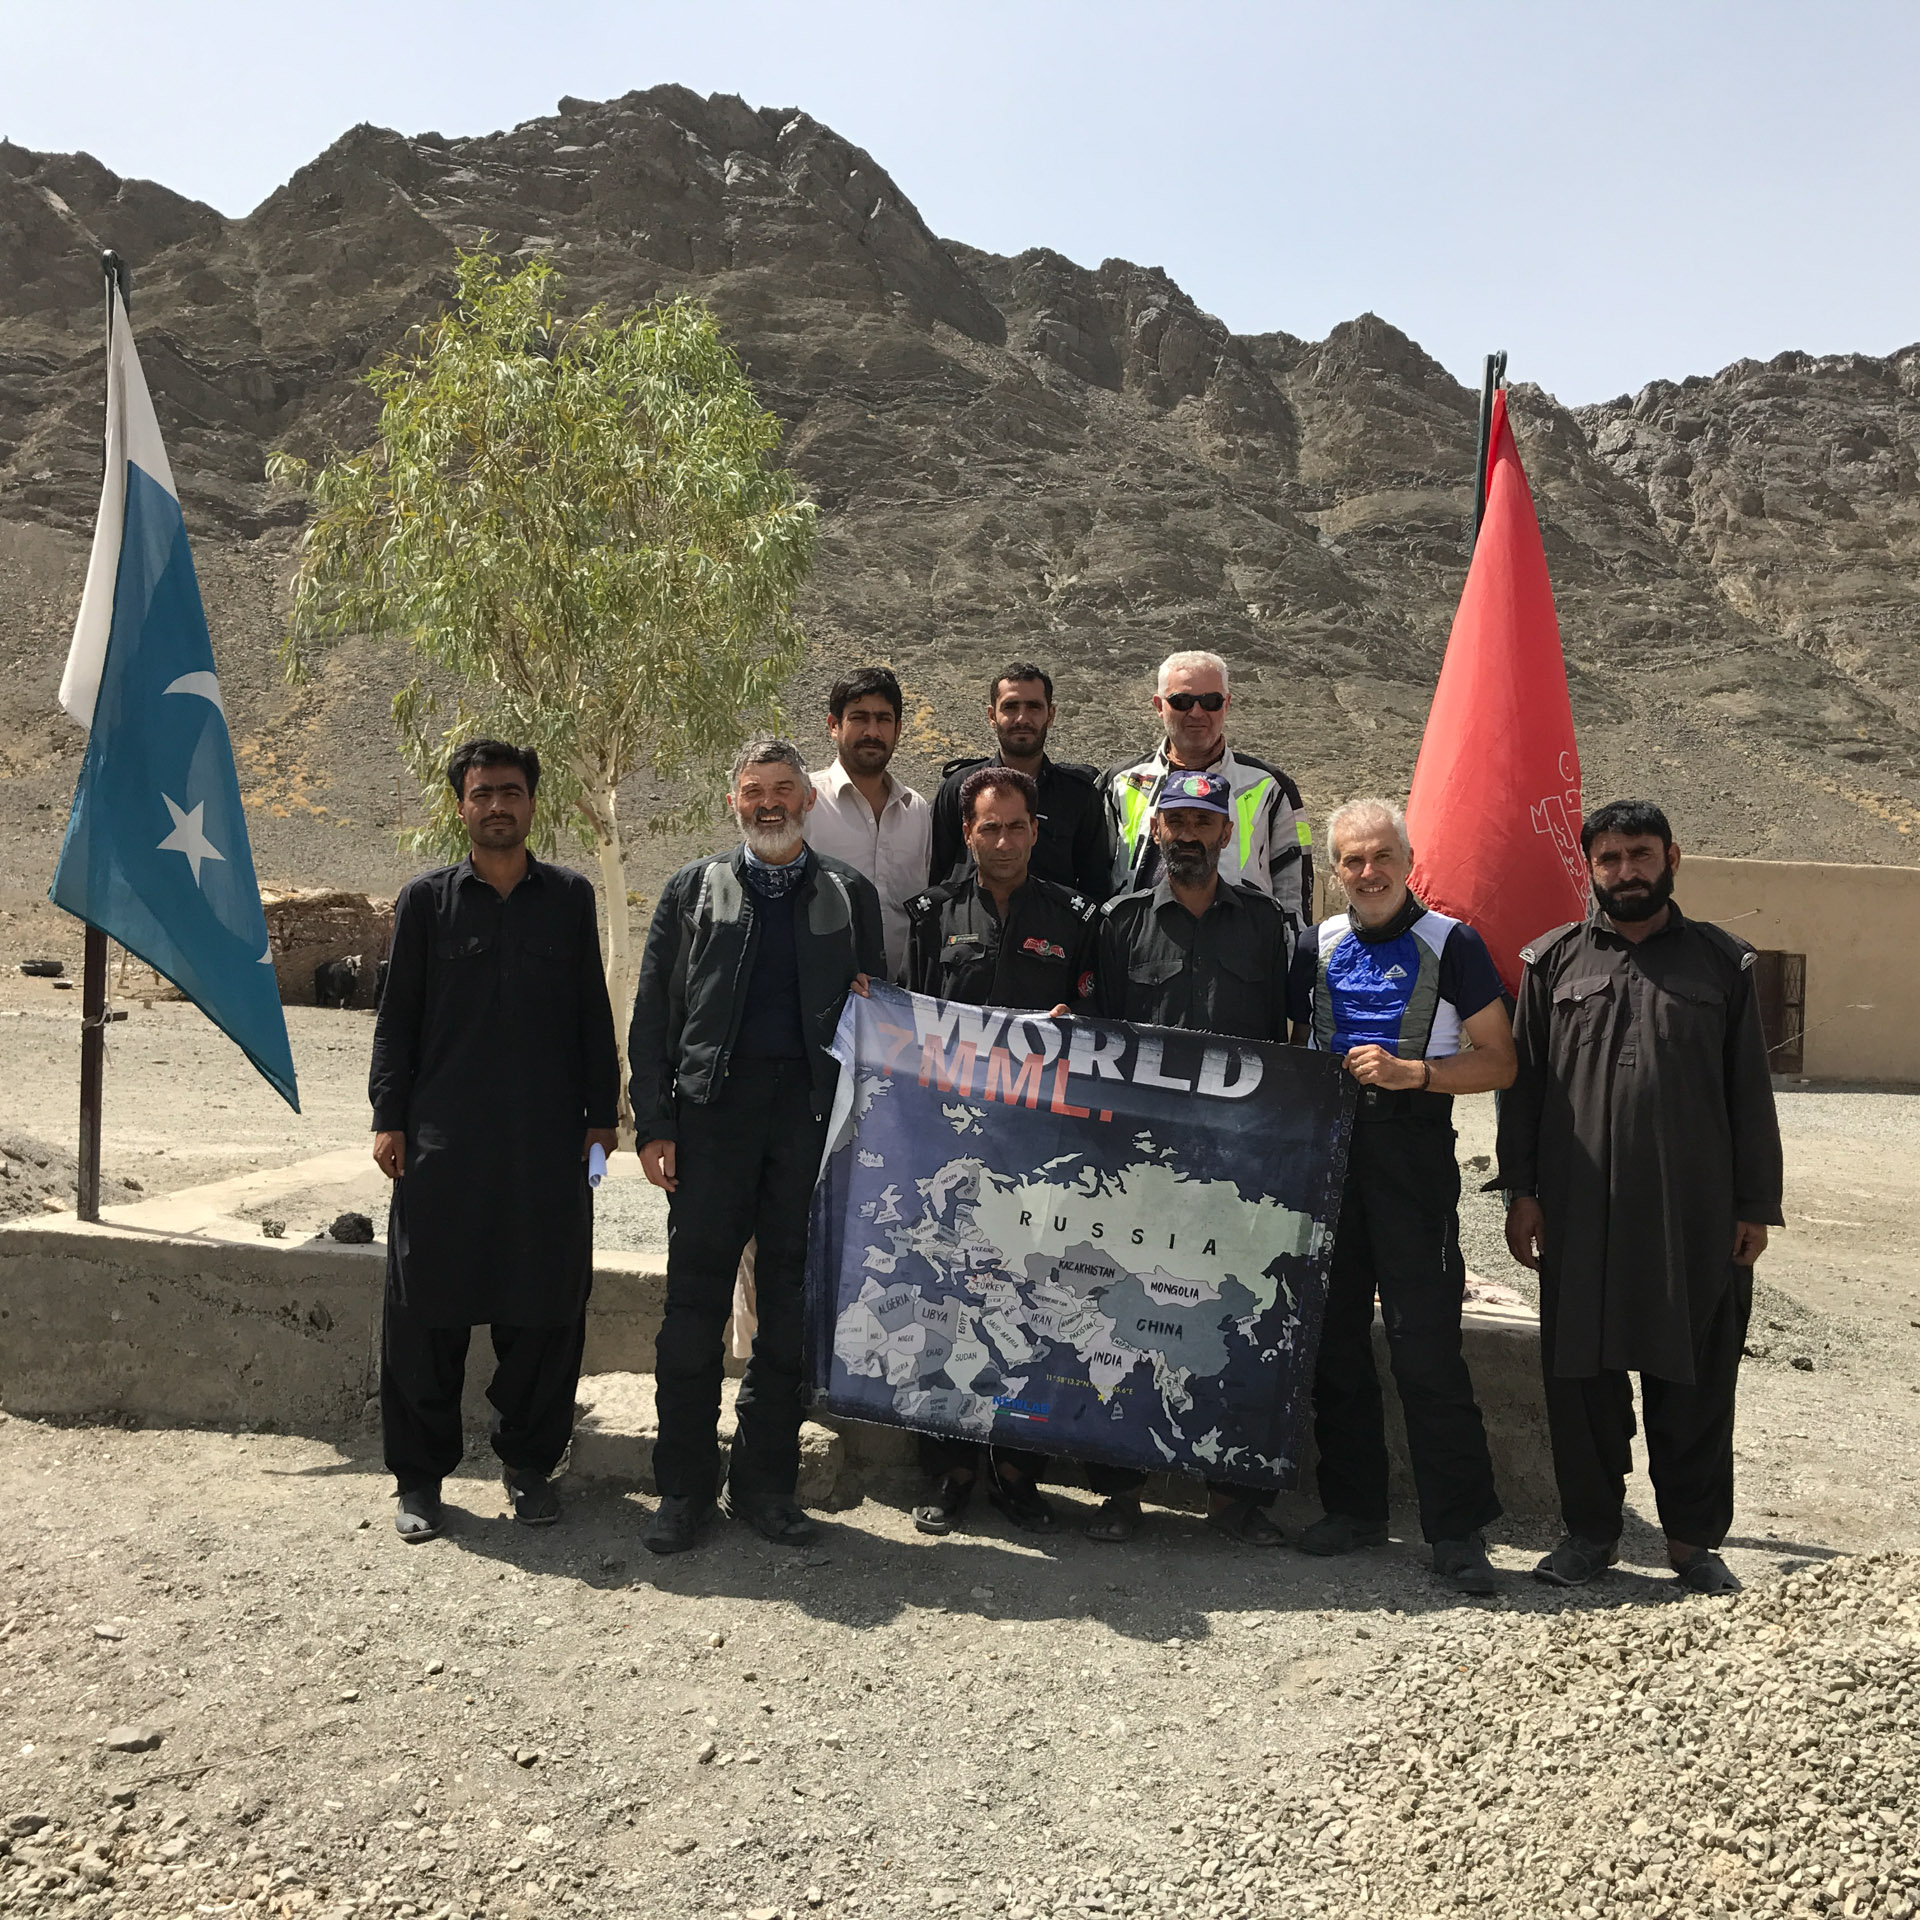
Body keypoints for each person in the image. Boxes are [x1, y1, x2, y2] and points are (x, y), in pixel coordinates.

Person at [1497, 800, 1783, 1596]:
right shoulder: (1552, 963)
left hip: (1692, 1213)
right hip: (1579, 1212)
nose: (1627, 871)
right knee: (1580, 1382)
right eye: (1611, 859)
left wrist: (1754, 1204)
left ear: (1671, 858)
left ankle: (1693, 1542)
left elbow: (1750, 1094)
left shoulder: (1723, 963)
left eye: (1641, 854)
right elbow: (1524, 1091)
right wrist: (1522, 1192)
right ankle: (1589, 1534)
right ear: (1590, 868)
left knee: (1696, 1379)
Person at [629, 737, 885, 1555]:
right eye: (753, 791)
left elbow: (877, 1013)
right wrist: (654, 1124)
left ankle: (765, 1485)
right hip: (712, 1122)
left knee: (789, 1309)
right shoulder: (691, 890)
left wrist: (868, 1006)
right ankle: (683, 1489)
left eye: (783, 789)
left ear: (808, 800)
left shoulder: (849, 894)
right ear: (733, 802)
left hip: (808, 1126)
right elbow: (653, 1017)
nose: (769, 804)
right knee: (692, 1312)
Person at [369, 739, 620, 1542]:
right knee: (424, 1313)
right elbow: (397, 1019)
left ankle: (529, 1466)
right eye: (482, 794)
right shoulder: (425, 902)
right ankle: (419, 1479)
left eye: (511, 792)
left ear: (532, 804)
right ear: (461, 808)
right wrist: (387, 1116)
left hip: (547, 1145)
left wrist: (603, 1118)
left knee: (545, 1308)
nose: (497, 806)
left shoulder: (569, 898)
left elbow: (591, 1014)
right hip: (444, 1144)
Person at [1286, 799, 1515, 1596]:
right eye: (1352, 860)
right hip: (1330, 1158)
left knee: (1426, 1344)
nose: (1369, 872)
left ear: (1408, 861)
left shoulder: (1454, 943)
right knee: (1335, 1340)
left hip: (1413, 1158)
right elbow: (1292, 1048)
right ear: (1336, 870)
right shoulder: (1314, 944)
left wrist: (1416, 1072)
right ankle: (1354, 1509)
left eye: (1382, 855)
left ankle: (1457, 1530)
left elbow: (1501, 1060)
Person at [1083, 769, 1295, 1546]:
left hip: (1238, 1168)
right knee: (1124, 1318)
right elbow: (1099, 1039)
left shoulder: (1267, 926)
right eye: (1176, 822)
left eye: (1204, 824)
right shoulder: (1118, 924)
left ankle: (1234, 1496)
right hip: (1142, 1167)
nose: (1189, 837)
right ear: (1157, 830)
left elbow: (1290, 1039)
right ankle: (1118, 1491)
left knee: (1233, 1321)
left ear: (1227, 833)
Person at [903, 765, 1100, 1537]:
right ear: (967, 833)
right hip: (950, 1143)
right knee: (948, 1298)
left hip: (1039, 1149)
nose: (1006, 840)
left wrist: (1078, 1021)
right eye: (991, 828)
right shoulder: (930, 915)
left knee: (1037, 1303)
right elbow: (906, 1015)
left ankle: (1020, 1470)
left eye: (1019, 827)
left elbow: (1100, 1020)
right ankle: (949, 1468)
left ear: (1036, 831)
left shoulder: (1076, 916)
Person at [1102, 649, 1313, 937]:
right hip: (1139, 946)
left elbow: (1293, 886)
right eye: (1182, 701)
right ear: (1159, 706)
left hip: (1240, 947)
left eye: (1211, 701)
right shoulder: (1120, 781)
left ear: (1227, 704)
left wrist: (1291, 953)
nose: (1197, 713)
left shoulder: (1270, 786)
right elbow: (1094, 874)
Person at [927, 662, 1111, 899]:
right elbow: (936, 877)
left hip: (1052, 923)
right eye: (1010, 707)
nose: (1022, 718)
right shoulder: (959, 788)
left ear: (1050, 715)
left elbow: (1094, 886)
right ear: (992, 716)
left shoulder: (1078, 795)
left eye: (1034, 707)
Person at [803, 666, 931, 983]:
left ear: (898, 729)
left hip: (901, 996)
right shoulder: (805, 803)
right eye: (859, 718)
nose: (872, 732)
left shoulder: (916, 810)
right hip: (822, 991)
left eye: (883, 719)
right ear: (834, 725)